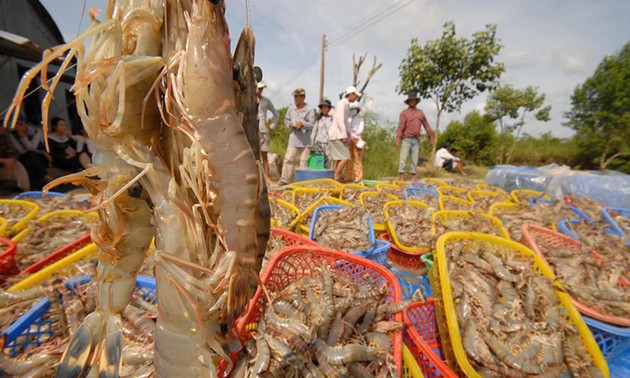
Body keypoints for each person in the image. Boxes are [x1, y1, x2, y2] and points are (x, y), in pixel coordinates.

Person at [277, 88, 315, 185]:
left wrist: (302, 124)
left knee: (303, 162)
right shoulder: (291, 108)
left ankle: (302, 182)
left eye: (298, 96)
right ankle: (285, 179)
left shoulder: (310, 109)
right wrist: (290, 124)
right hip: (293, 139)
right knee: (288, 159)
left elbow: (311, 124)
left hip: (305, 140)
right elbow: (286, 120)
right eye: (295, 96)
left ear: (303, 97)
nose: (296, 99)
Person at [396, 92, 435, 181]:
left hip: (416, 139)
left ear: (416, 101)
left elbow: (426, 124)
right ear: (408, 101)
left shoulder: (420, 113)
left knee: (414, 159)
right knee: (403, 158)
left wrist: (430, 134)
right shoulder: (404, 113)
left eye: (414, 100)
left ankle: (413, 175)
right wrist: (398, 137)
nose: (412, 102)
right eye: (411, 100)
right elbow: (401, 126)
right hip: (406, 139)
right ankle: (401, 174)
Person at [8, 115, 52, 190]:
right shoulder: (12, 135)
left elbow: (32, 147)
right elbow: (21, 151)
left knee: (31, 156)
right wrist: (22, 136)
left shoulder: (36, 131)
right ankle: (43, 178)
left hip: (41, 158)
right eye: (16, 125)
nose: (18, 126)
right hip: (27, 157)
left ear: (26, 124)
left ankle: (44, 177)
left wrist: (23, 136)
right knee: (29, 159)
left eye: (20, 124)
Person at [328, 86, 360, 182]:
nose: (356, 98)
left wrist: (351, 136)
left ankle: (336, 176)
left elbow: (346, 123)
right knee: (345, 156)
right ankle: (336, 176)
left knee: (340, 157)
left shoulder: (346, 105)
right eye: (355, 95)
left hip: (339, 134)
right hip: (337, 134)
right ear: (351, 94)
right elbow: (340, 120)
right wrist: (344, 135)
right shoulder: (342, 103)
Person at [256, 82, 279, 184]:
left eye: (261, 89)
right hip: (253, 130)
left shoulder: (266, 101)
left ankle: (267, 178)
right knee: (252, 156)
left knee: (264, 157)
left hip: (264, 131)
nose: (259, 91)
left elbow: (276, 115)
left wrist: (271, 126)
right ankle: (256, 179)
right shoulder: (249, 99)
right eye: (258, 88)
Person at [0, 125, 30, 192]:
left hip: (3, 166)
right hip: (3, 162)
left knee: (18, 165)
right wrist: (4, 160)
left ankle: (24, 193)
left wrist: (11, 159)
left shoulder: (3, 138)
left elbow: (13, 151)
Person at [344, 101, 366, 183]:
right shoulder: (348, 119)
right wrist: (351, 135)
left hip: (357, 142)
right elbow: (347, 129)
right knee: (348, 160)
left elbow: (360, 130)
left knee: (357, 159)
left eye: (354, 109)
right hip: (349, 141)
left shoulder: (360, 119)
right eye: (351, 109)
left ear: (357, 110)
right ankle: (349, 176)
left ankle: (358, 177)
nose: (352, 110)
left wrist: (354, 136)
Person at [310, 98, 333, 168]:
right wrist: (311, 142)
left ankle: (326, 178)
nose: (324, 109)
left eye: (326, 107)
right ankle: (319, 177)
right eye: (323, 107)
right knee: (319, 161)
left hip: (328, 143)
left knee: (328, 161)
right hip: (319, 143)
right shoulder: (318, 119)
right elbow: (314, 131)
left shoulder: (332, 118)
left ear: (329, 108)